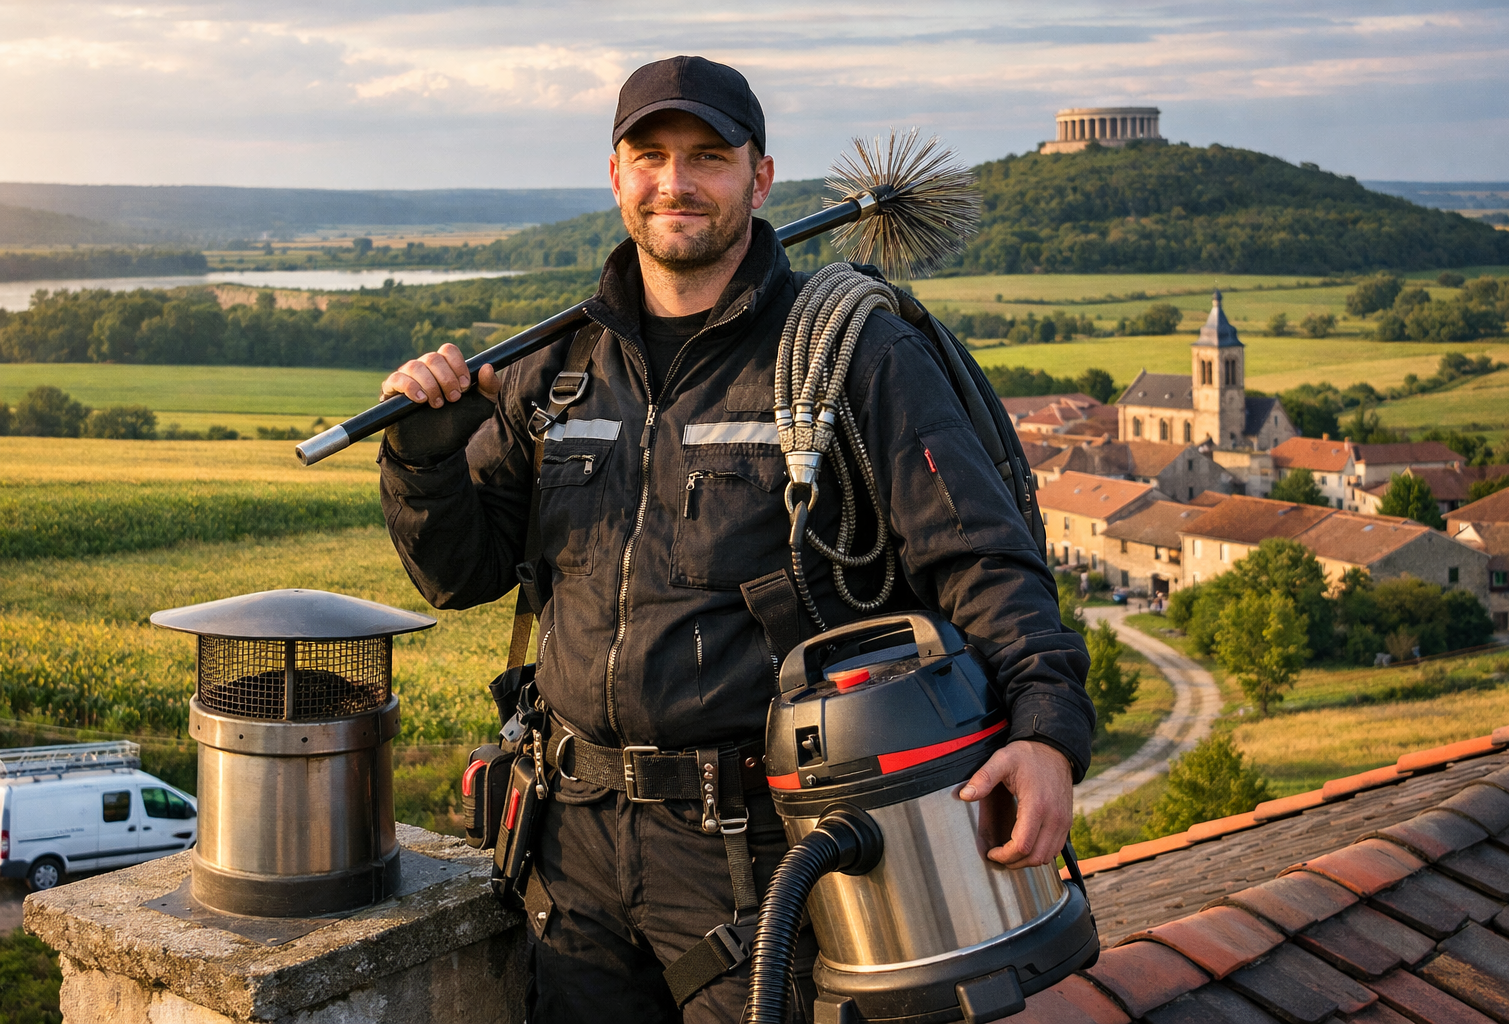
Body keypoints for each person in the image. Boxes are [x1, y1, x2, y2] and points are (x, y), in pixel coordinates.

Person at [378, 55, 1093, 1024]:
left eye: (708, 157)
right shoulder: (559, 368)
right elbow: (457, 576)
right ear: (617, 176)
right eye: (651, 156)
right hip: (572, 850)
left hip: (762, 852)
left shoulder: (853, 353)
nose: (676, 182)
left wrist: (1046, 731)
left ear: (760, 179)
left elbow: (981, 557)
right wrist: (423, 455)